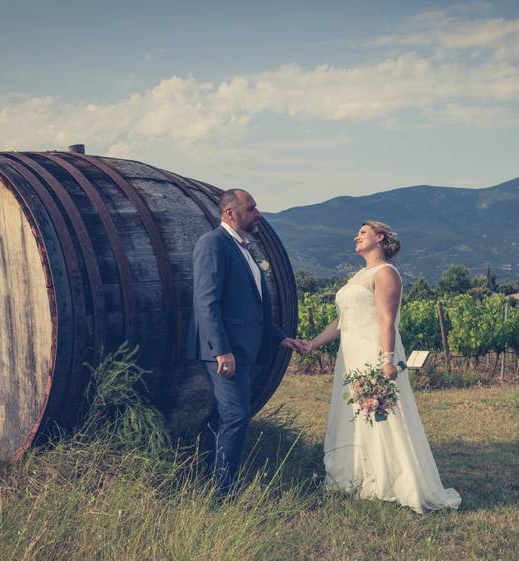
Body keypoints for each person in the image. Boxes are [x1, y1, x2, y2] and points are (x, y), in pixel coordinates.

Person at [300, 221, 462, 513]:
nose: (356, 236)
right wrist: (312, 344)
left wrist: (387, 360)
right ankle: (360, 477)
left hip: (373, 354)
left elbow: (386, 320)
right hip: (350, 356)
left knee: (383, 416)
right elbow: (342, 321)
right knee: (355, 414)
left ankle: (394, 481)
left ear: (380, 237)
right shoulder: (359, 276)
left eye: (362, 233)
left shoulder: (386, 273)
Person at [186, 188, 305, 497]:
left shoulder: (244, 248)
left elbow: (250, 307)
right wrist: (220, 349)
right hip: (225, 352)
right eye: (251, 209)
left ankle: (211, 479)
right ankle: (224, 492)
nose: (258, 214)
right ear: (230, 213)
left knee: (225, 415)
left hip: (244, 350)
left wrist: (280, 338)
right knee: (236, 414)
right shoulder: (212, 244)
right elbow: (206, 300)